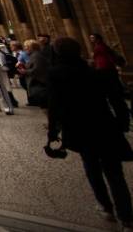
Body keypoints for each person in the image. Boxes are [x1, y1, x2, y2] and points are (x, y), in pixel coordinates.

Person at [48, 36, 133, 228]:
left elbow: (54, 105)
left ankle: (106, 207)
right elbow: (117, 100)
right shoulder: (96, 72)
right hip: (104, 125)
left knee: (92, 167)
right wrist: (122, 123)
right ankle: (126, 216)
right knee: (114, 172)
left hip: (80, 128)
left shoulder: (56, 73)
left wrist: (53, 132)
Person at [90, 34, 130, 131]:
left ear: (98, 38)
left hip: (106, 70)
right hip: (104, 70)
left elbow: (109, 57)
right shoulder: (98, 46)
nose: (91, 39)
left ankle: (122, 121)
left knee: (114, 96)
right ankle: (122, 119)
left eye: (92, 37)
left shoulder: (102, 46)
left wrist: (115, 66)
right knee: (113, 97)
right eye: (90, 38)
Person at [25, 40, 50, 107]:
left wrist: (25, 71)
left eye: (27, 47)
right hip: (38, 83)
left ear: (32, 47)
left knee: (45, 106)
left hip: (39, 83)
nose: (25, 49)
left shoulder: (36, 56)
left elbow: (37, 69)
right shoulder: (34, 55)